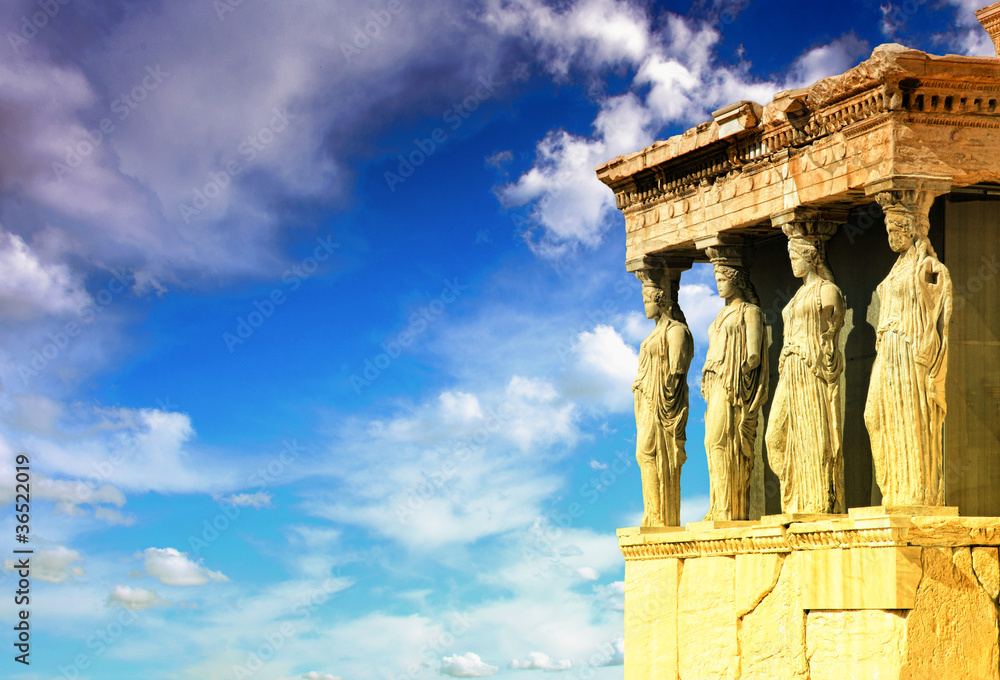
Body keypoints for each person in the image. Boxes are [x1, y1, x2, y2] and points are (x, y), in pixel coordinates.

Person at [864, 207, 951, 506]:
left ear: (911, 230)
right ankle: (894, 489)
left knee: (911, 417)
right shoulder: (896, 268)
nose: (890, 236)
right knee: (873, 416)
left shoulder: (926, 266)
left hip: (908, 347)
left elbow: (940, 307)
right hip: (888, 347)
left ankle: (914, 493)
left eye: (895, 230)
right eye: (888, 229)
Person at [765, 237, 846, 514]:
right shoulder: (797, 296)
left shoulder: (828, 291)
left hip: (811, 369)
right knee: (774, 437)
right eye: (790, 258)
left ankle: (818, 501)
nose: (792, 263)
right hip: (790, 368)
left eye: (796, 257)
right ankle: (796, 495)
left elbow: (832, 336)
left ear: (810, 257)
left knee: (814, 434)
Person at [702, 259, 768, 521]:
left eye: (722, 279)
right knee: (712, 443)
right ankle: (718, 505)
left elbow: (754, 355)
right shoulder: (720, 315)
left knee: (721, 440)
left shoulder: (749, 311)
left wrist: (738, 375)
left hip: (733, 384)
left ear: (736, 280)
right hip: (716, 382)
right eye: (716, 280)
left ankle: (729, 508)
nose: (718, 285)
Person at [633, 284, 693, 526]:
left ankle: (661, 516)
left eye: (648, 301)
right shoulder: (654, 333)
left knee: (651, 453)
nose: (645, 306)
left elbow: (677, 371)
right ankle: (652, 513)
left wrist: (665, 399)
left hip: (662, 402)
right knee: (645, 454)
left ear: (661, 301)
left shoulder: (676, 330)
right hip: (646, 400)